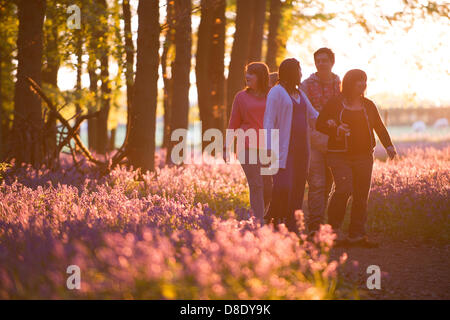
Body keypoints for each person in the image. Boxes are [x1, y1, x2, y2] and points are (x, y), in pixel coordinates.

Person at [316, 69, 397, 247]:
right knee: (344, 189)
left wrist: (389, 146)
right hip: (339, 155)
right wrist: (335, 128)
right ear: (349, 83)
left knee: (361, 195)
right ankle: (333, 232)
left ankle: (356, 235)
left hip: (364, 155)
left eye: (364, 81)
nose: (362, 84)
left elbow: (379, 127)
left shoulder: (368, 105)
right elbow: (320, 123)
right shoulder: (336, 103)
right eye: (358, 81)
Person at [263, 58, 319, 233]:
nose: (301, 74)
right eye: (299, 70)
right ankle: (273, 219)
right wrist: (268, 149)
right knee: (283, 186)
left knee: (297, 188)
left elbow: (314, 114)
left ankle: (292, 226)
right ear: (291, 72)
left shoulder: (300, 93)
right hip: (283, 148)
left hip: (302, 148)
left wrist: (331, 121)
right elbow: (269, 121)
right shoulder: (276, 92)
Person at [301, 47, 341, 234]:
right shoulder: (306, 85)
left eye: (325, 60)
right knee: (316, 183)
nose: (321, 63)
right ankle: (314, 226)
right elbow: (303, 112)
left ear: (332, 62)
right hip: (314, 141)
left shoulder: (339, 83)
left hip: (335, 141)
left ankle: (325, 224)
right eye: (318, 60)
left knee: (331, 184)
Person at [227, 62, 273, 225]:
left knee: (268, 185)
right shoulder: (241, 97)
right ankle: (258, 222)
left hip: (268, 145)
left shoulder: (272, 95)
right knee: (256, 184)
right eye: (247, 73)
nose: (247, 76)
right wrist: (227, 145)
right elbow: (233, 122)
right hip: (246, 145)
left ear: (261, 77)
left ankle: (264, 214)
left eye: (251, 73)